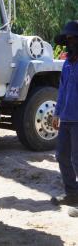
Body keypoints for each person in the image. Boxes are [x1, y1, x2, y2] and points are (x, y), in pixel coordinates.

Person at [51, 20, 78, 213]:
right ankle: (72, 193)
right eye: (67, 39)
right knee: (61, 155)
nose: (70, 42)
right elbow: (61, 90)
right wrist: (56, 112)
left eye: (73, 38)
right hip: (66, 118)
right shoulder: (67, 64)